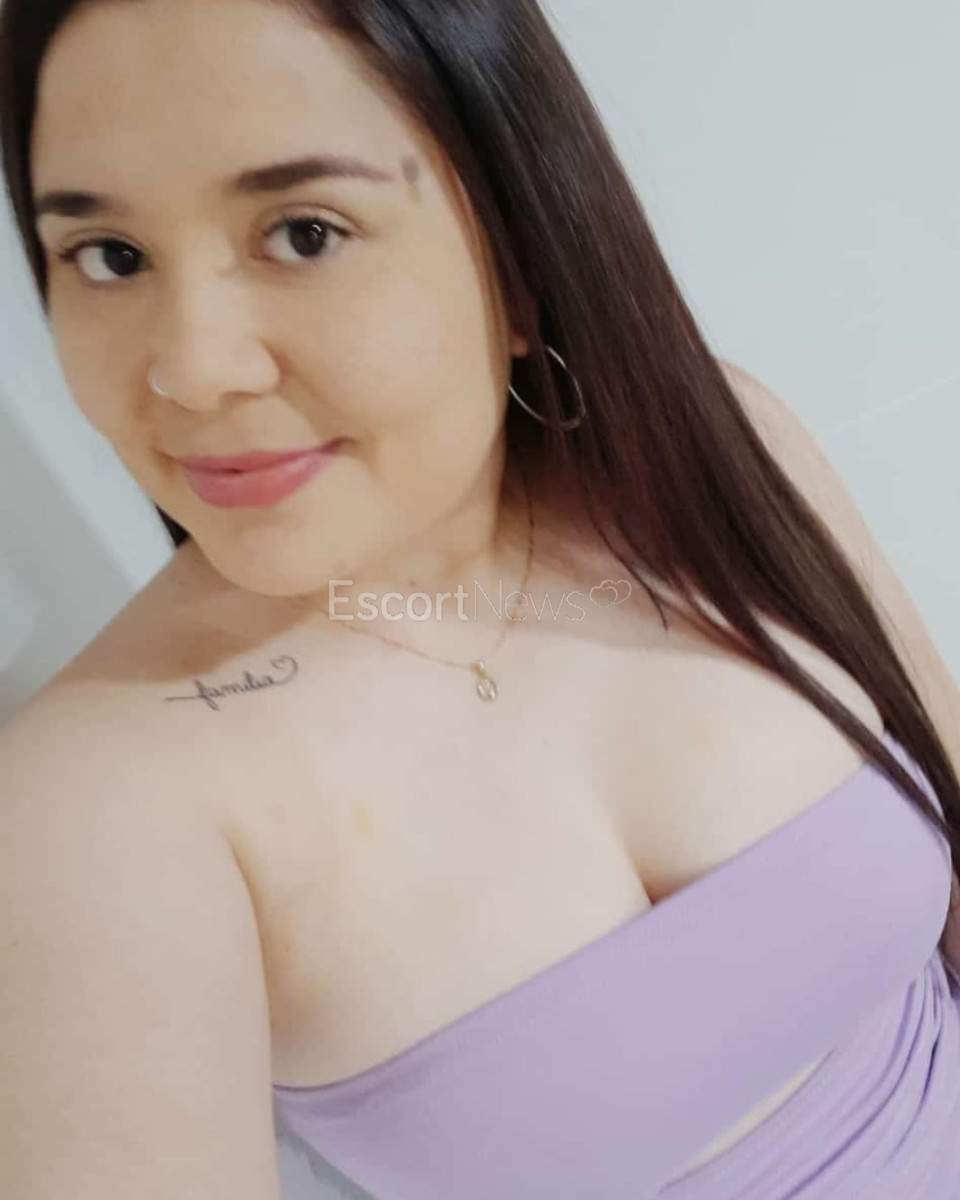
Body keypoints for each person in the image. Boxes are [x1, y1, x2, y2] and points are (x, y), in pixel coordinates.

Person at [1, 1, 959, 1197]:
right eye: (109, 255)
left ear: (516, 249)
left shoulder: (715, 455)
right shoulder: (90, 808)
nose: (192, 368)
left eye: (304, 232)